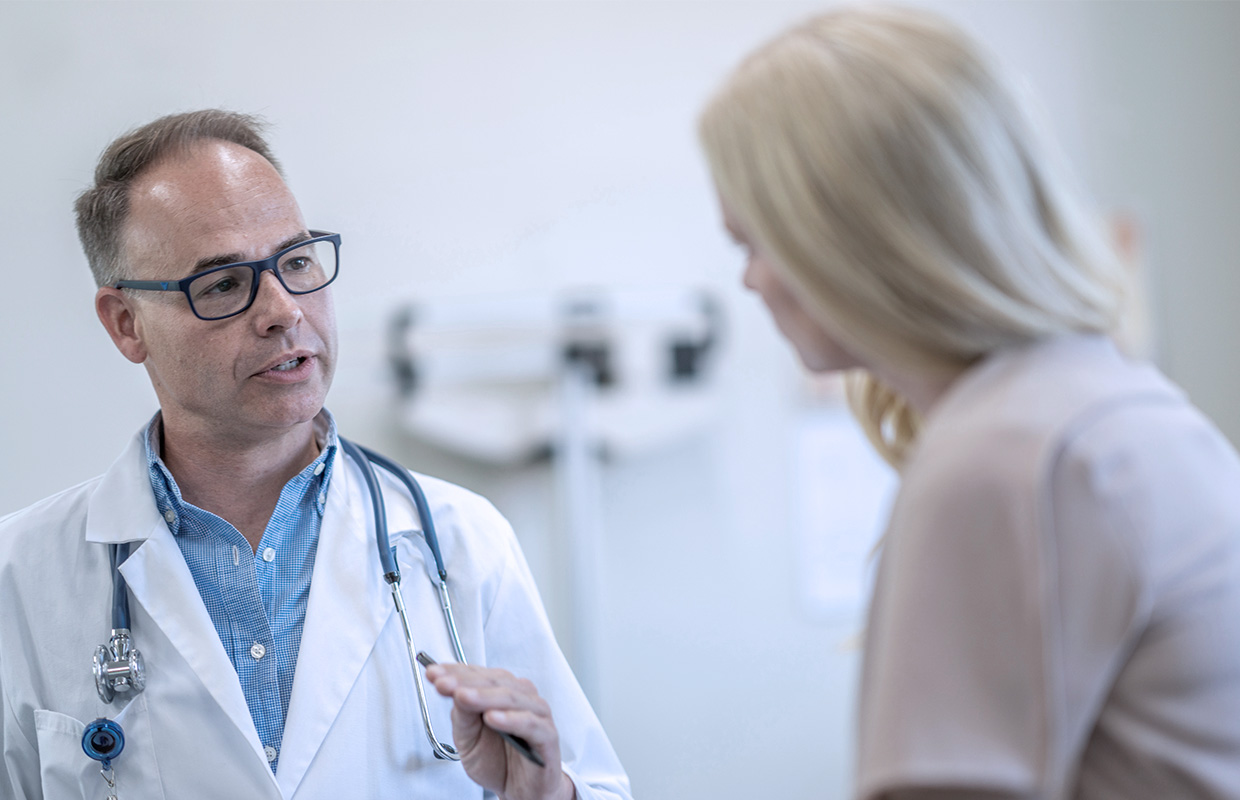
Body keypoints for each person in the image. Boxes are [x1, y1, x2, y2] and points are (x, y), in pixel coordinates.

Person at [0, 110, 630, 800]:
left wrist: (547, 796)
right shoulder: (23, 576)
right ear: (126, 324)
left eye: (296, 262)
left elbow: (592, 786)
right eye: (223, 285)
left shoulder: (460, 540)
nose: (282, 309)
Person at [699, 7, 1240, 800]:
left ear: (846, 228)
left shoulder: (1007, 458)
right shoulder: (1112, 404)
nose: (749, 281)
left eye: (754, 242)